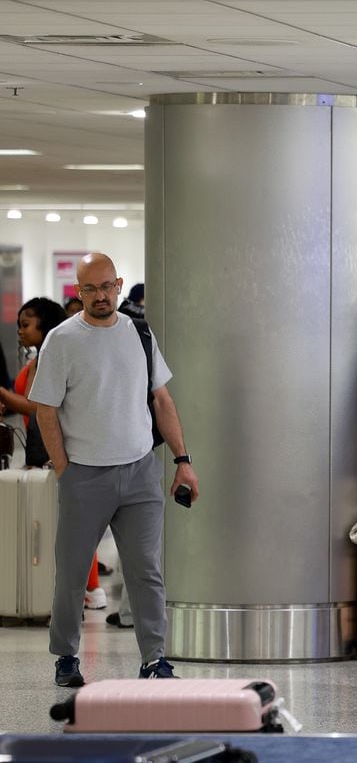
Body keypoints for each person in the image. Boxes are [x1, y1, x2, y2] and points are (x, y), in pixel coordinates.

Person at [29, 253, 200, 686]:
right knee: (72, 571)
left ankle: (154, 660)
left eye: (107, 286)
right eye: (90, 289)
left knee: (146, 570)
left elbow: (162, 399)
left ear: (119, 284)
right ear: (77, 291)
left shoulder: (139, 332)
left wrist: (183, 461)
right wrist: (65, 468)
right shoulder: (63, 340)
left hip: (141, 470)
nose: (101, 296)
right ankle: (66, 655)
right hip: (84, 474)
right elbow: (44, 409)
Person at [0, 298, 108, 611]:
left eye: (26, 324)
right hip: (38, 450)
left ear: (44, 326)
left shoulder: (54, 357)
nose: (20, 331)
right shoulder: (38, 359)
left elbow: (41, 409)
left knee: (74, 522)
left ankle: (91, 587)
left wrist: (6, 396)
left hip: (56, 451)